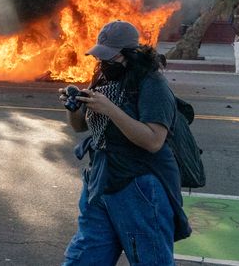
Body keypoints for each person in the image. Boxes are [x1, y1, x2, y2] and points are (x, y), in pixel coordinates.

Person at [59, 20, 191, 265]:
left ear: (131, 54)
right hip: (100, 181)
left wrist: (110, 109)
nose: (104, 64)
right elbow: (80, 126)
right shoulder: (102, 78)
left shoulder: (152, 84)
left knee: (150, 259)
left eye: (111, 58)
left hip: (138, 185)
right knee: (84, 258)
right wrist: (73, 106)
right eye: (101, 57)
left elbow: (153, 140)